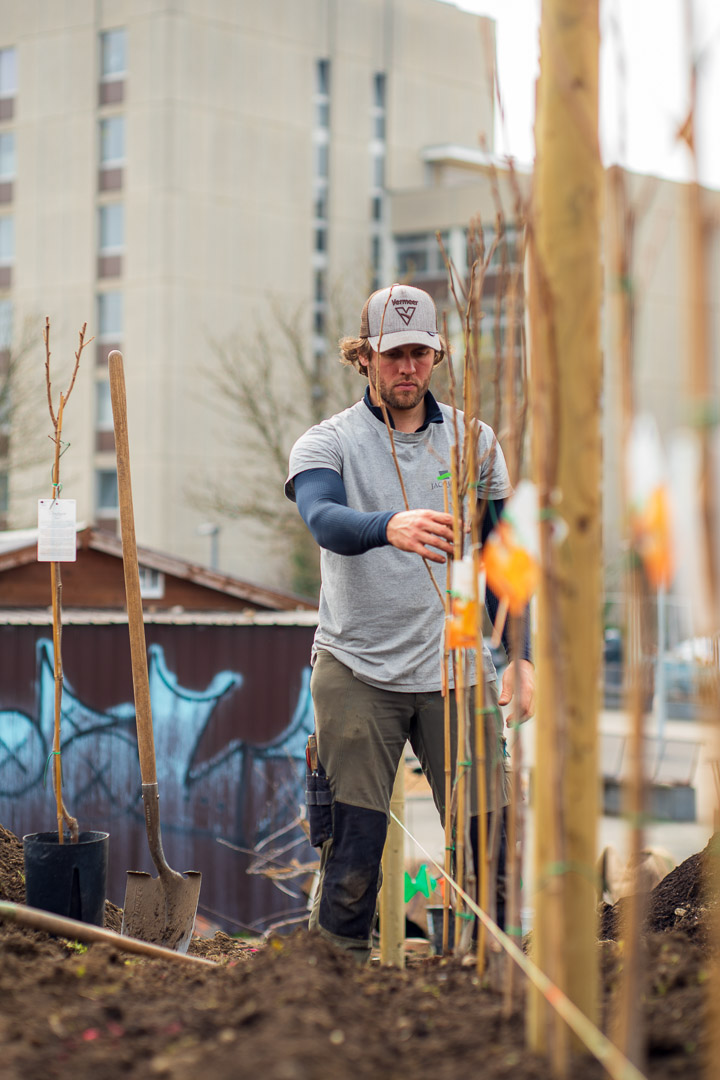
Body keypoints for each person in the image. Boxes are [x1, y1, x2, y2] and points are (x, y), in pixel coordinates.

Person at [285, 282, 534, 960]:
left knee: (490, 848)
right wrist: (387, 525)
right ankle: (333, 992)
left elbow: (504, 558)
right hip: (358, 668)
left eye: (420, 353)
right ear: (364, 357)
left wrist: (523, 655)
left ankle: (493, 980)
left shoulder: (474, 444)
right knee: (354, 851)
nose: (407, 369)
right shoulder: (328, 442)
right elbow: (323, 519)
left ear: (436, 357)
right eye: (393, 354)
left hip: (457, 669)